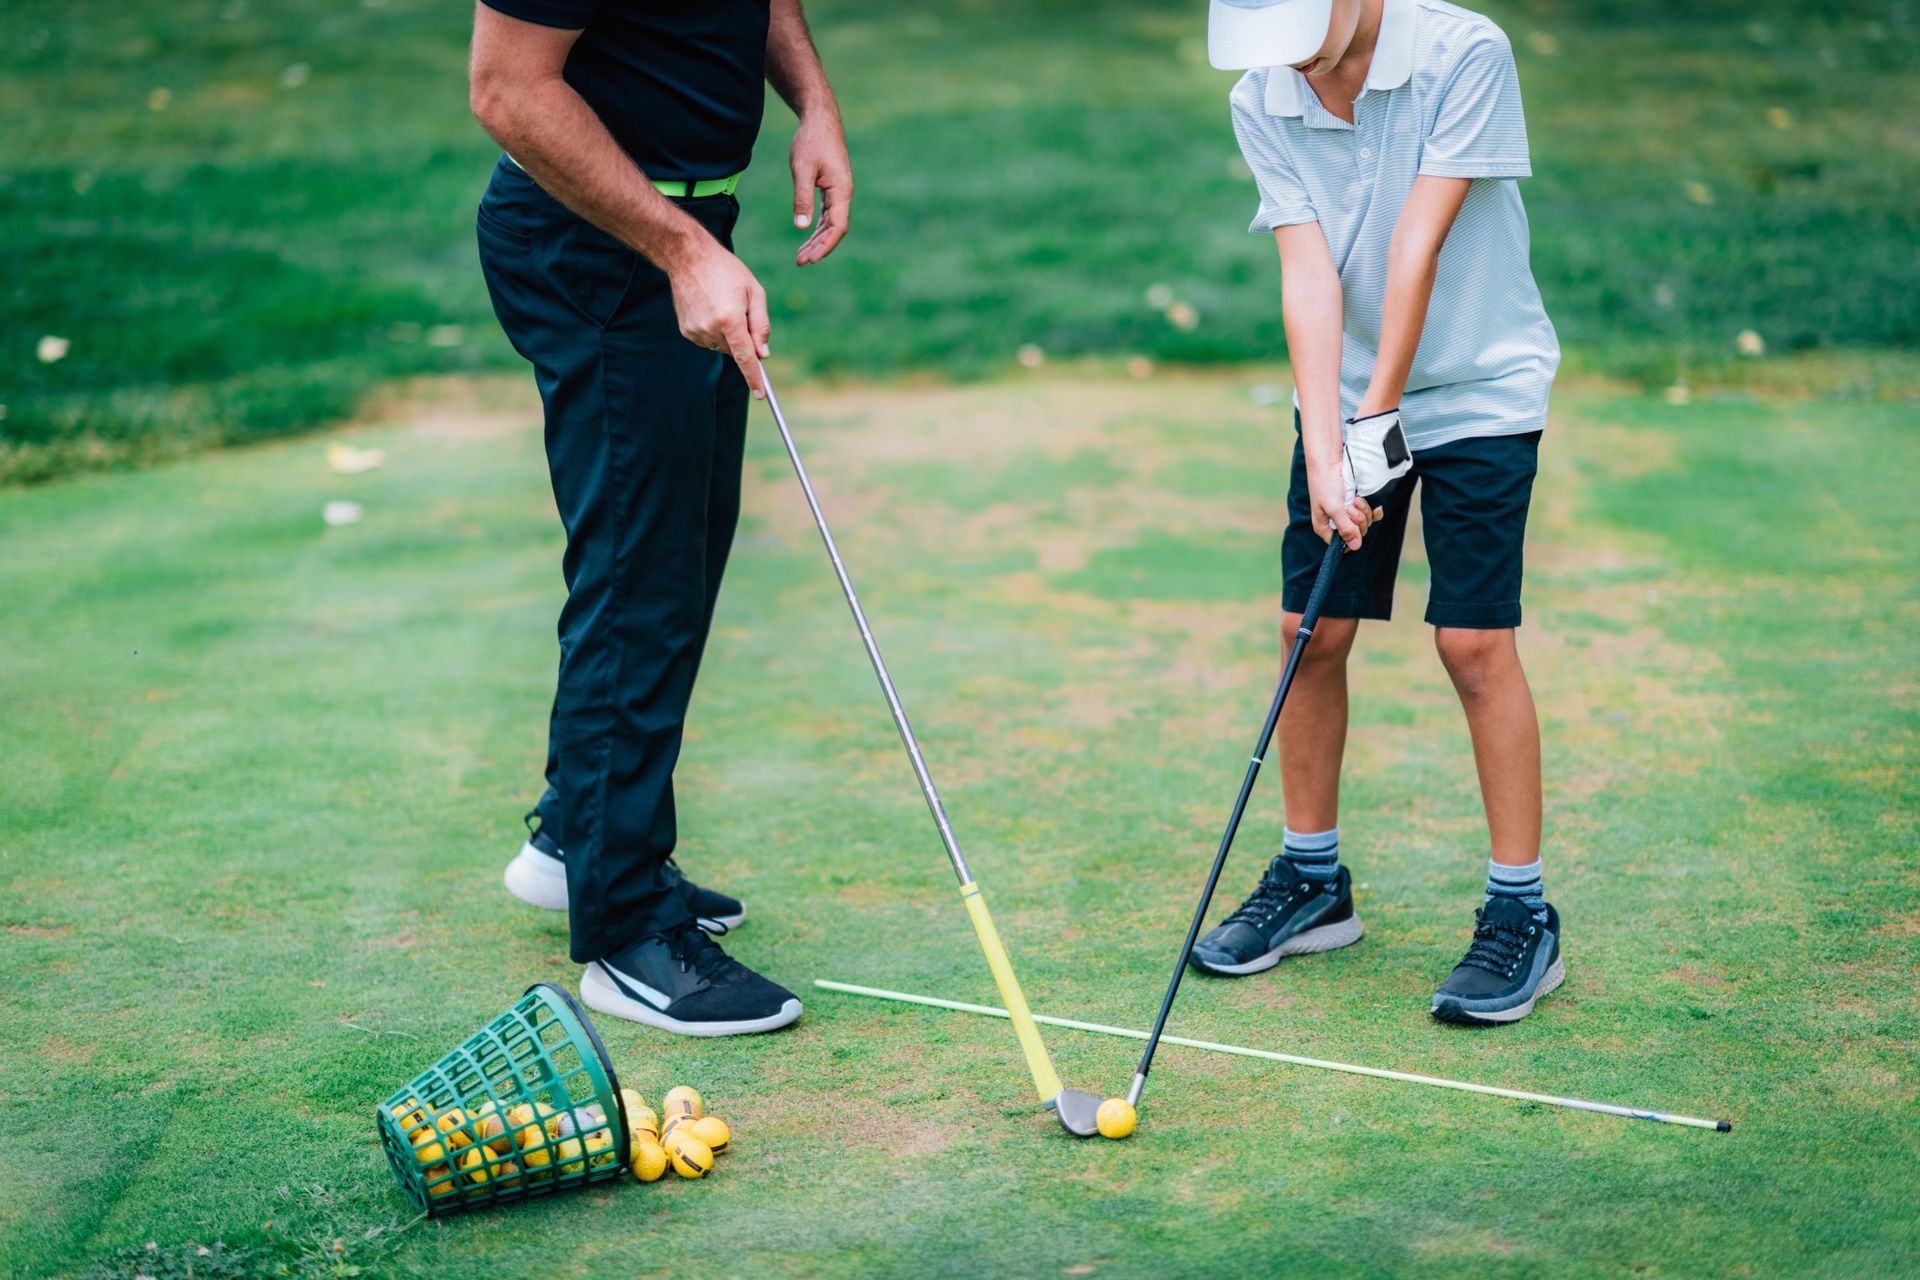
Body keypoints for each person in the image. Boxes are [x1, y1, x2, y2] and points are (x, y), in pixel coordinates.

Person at [468, 0, 852, 1036]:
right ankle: (626, 927)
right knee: (641, 583)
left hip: (685, 225)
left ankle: (575, 840)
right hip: (601, 245)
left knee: (675, 560)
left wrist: (811, 103)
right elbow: (507, 89)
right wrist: (681, 251)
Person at [1192, 0, 1564, 1023]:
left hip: (1482, 389)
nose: (1294, 65)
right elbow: (1307, 272)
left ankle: (1522, 912)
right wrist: (1326, 445)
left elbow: (1416, 249)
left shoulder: (1464, 53)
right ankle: (1313, 881)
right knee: (1308, 628)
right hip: (1346, 391)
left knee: (1474, 641)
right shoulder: (1263, 88)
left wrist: (1374, 423)